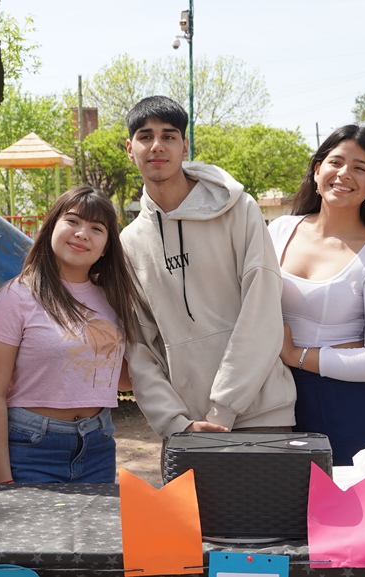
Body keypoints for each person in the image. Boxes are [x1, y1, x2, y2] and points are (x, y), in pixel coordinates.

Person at [120, 95, 296, 445]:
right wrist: (175, 422)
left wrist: (224, 407)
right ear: (130, 148)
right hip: (185, 429)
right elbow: (139, 345)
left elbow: (262, 311)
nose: (157, 145)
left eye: (169, 136)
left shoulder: (239, 210)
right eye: (145, 136)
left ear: (184, 145)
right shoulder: (129, 242)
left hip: (263, 416)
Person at [0, 185, 139, 484]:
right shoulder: (17, 296)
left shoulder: (113, 298)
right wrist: (3, 481)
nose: (82, 233)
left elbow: (122, 380)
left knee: (94, 533)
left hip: (98, 443)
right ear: (51, 226)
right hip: (33, 446)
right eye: (73, 221)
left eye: (96, 228)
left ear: (106, 246)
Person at [268, 125, 365, 466]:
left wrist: (294, 354)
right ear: (317, 171)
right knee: (273, 514)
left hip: (349, 410)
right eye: (335, 162)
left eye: (360, 167)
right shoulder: (280, 230)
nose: (344, 174)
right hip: (272, 402)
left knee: (348, 518)